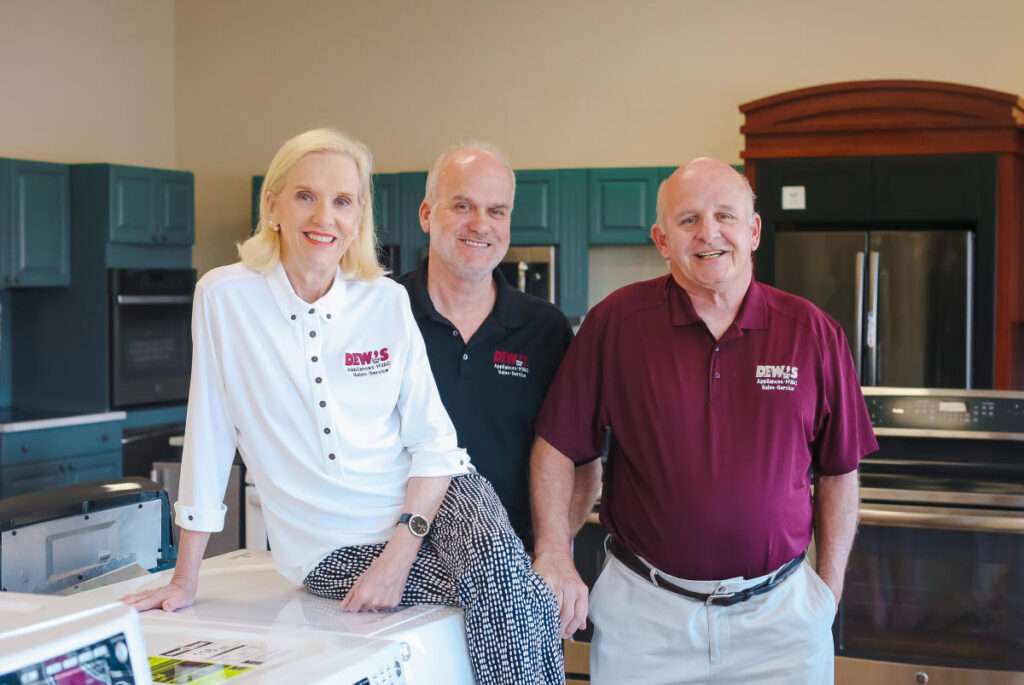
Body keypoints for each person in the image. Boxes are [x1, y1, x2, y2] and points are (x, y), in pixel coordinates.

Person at [122, 128, 564, 685]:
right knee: (524, 599)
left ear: (359, 218)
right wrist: (185, 578)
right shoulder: (224, 297)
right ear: (273, 205)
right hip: (326, 544)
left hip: (443, 495)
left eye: (343, 201)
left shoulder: (384, 299)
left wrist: (397, 557)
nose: (324, 217)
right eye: (306, 196)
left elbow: (435, 444)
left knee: (508, 589)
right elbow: (211, 431)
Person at [530, 158, 877, 684]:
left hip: (780, 622)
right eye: (688, 219)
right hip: (645, 622)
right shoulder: (615, 325)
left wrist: (826, 593)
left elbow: (839, 471)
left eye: (725, 216)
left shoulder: (813, 332)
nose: (708, 232)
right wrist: (554, 552)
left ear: (754, 230)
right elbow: (557, 446)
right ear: (662, 239)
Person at [397, 142, 602, 552]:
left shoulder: (545, 330)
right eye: (462, 206)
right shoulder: (382, 314)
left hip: (510, 567)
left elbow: (582, 465)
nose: (481, 225)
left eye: (496, 211)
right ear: (426, 215)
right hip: (391, 569)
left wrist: (548, 554)